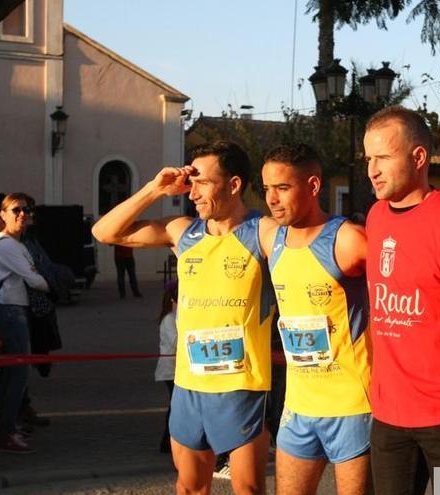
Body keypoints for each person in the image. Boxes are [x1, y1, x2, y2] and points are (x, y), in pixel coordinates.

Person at [92, 140, 276, 495]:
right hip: (189, 386)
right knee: (190, 487)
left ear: (234, 184)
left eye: (202, 182)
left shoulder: (262, 231)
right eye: (190, 183)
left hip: (240, 387)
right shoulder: (183, 232)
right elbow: (104, 232)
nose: (192, 193)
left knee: (248, 489)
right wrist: (154, 188)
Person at [362, 106, 440, 494]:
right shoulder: (375, 218)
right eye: (368, 159)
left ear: (418, 158)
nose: (371, 170)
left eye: (382, 158)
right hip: (389, 418)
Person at [261, 144, 371, 495]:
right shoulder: (271, 238)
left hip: (353, 407)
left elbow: (406, 281)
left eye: (282, 188)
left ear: (312, 186)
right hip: (298, 407)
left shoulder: (347, 240)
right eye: (266, 189)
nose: (272, 199)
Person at [0, 193, 51, 454]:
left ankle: (9, 423)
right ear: (2, 214)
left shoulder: (19, 243)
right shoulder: (5, 245)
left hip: (17, 310)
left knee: (14, 374)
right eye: (16, 209)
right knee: (17, 373)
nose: (22, 213)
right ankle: (6, 432)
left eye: (27, 209)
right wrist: (49, 283)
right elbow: (35, 279)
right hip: (10, 311)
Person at [157, 280, 179, 454]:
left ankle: (169, 441)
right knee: (175, 405)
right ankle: (167, 441)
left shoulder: (175, 317)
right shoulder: (170, 319)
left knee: (175, 405)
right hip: (170, 369)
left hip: (177, 369)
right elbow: (176, 342)